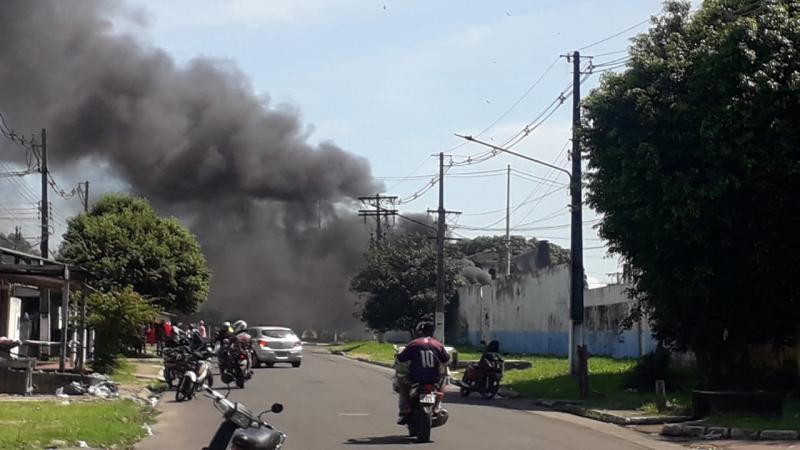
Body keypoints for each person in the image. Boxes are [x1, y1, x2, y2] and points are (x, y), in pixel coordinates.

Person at [395, 321, 450, 425]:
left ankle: (406, 408)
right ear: (433, 332)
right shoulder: (438, 344)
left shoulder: (414, 344)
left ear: (419, 332)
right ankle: (437, 406)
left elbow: (401, 359)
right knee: (444, 380)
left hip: (415, 379)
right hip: (434, 379)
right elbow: (446, 360)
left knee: (401, 381)